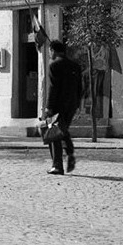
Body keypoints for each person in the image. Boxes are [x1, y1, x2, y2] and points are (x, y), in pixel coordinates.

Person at [44, 40, 83, 175]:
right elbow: (80, 88)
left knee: (54, 135)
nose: (49, 54)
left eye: (50, 51)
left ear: (53, 50)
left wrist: (49, 107)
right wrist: (77, 103)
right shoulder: (75, 66)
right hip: (71, 105)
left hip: (58, 106)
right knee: (63, 130)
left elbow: (53, 88)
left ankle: (57, 165)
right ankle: (70, 152)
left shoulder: (54, 65)